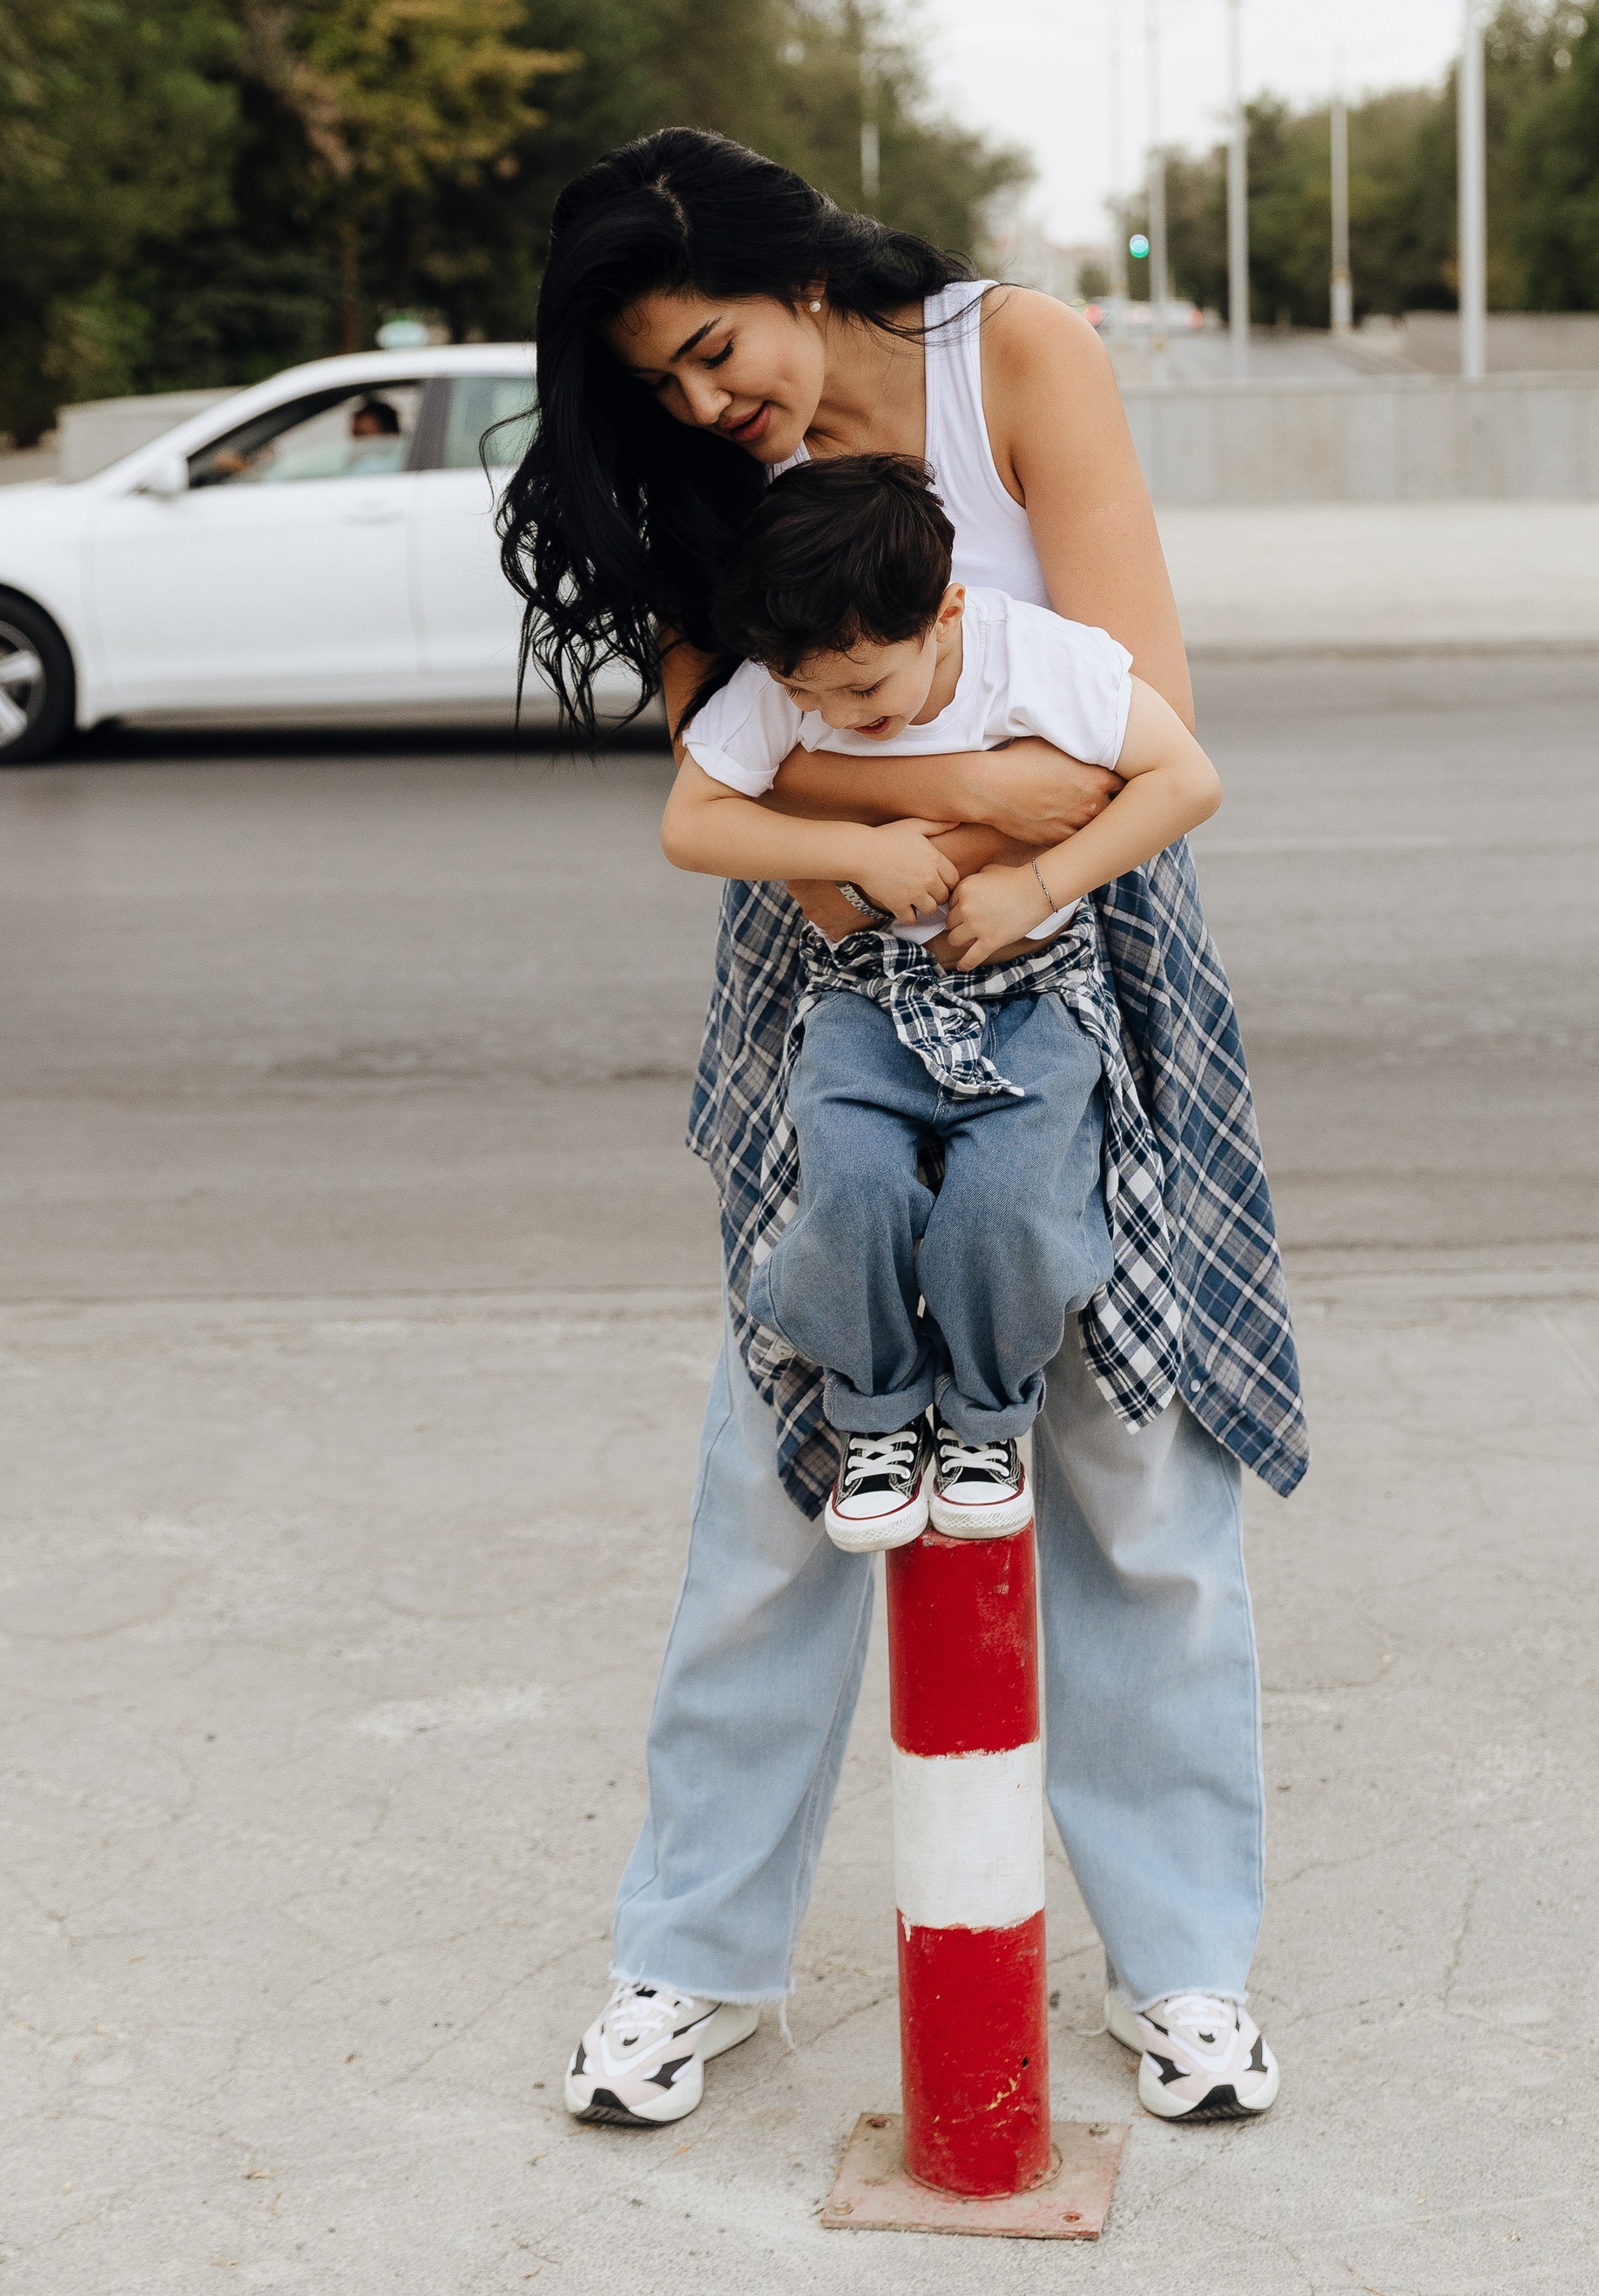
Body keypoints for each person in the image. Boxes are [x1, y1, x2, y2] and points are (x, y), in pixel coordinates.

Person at [501, 127, 1306, 2135]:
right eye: (661, 386)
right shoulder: (707, 484)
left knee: (1135, 1470)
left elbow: (1139, 713)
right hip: (829, 969)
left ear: (785, 267)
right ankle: (689, 1959)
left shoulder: (1009, 356)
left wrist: (925, 819)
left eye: (712, 348)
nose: (704, 402)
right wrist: (946, 812)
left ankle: (1187, 1966)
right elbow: (730, 807)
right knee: (779, 1479)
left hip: (1088, 944)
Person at [663, 454, 1222, 1551]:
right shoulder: (801, 669)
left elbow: (1184, 777)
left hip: (1034, 994)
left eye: (862, 687)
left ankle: (982, 1419)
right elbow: (693, 821)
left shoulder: (1034, 658)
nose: (833, 715)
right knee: (853, 1185)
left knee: (1005, 1206)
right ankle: (875, 1415)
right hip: (863, 997)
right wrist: (849, 848)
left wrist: (1038, 885)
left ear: (946, 610)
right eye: (803, 693)